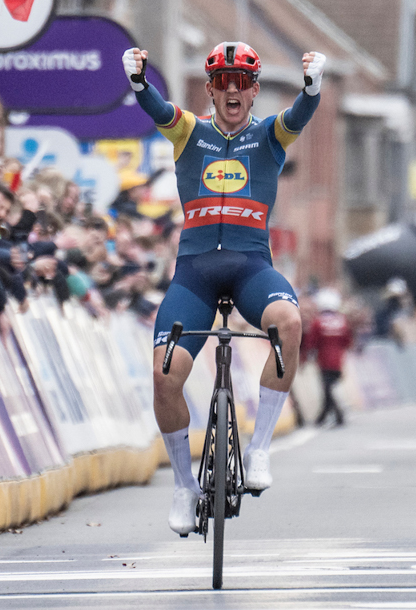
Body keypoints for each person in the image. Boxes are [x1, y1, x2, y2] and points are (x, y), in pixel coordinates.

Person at [125, 39, 325, 535]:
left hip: (250, 268)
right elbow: (157, 108)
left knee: (290, 322)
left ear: (254, 91)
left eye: (241, 82)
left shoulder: (269, 137)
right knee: (164, 373)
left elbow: (301, 113)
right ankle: (182, 486)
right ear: (211, 91)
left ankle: (259, 452)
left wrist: (313, 85)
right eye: (222, 82)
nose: (232, 90)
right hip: (194, 273)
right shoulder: (190, 132)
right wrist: (137, 82)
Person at [304, 289, 352, 426]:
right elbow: (347, 341)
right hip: (338, 360)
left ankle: (337, 414)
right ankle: (323, 417)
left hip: (324, 360)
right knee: (329, 388)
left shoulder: (317, 322)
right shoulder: (342, 321)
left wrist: (308, 355)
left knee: (327, 389)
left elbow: (311, 342)